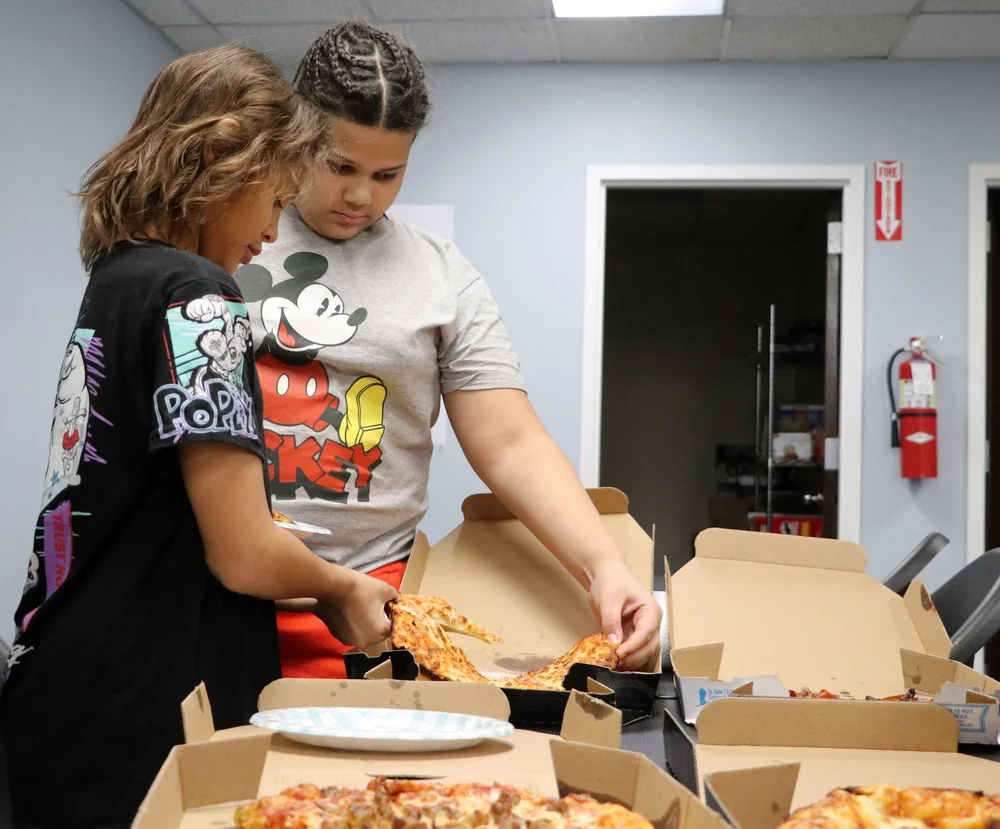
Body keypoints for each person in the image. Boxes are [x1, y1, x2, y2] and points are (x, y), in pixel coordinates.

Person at [0, 44, 396, 829]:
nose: (271, 231)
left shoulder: (119, 277)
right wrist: (342, 585)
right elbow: (243, 551)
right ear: (218, 157)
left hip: (61, 684)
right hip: (141, 708)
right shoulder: (199, 295)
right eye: (274, 199)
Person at [237, 22, 663, 681]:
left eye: (388, 173)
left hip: (372, 607)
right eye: (340, 166)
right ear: (298, 135)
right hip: (231, 594)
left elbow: (512, 443)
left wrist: (605, 565)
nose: (361, 195)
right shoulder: (235, 236)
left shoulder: (442, 274)